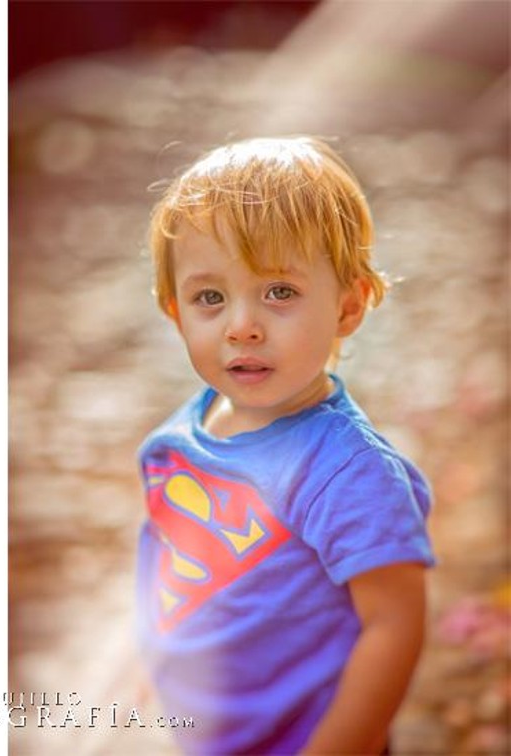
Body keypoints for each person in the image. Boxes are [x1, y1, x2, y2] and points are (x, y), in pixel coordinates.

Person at [136, 136, 435, 755]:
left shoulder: (346, 471)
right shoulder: (181, 436)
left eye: (279, 291)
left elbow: (394, 626)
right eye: (210, 298)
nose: (242, 324)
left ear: (348, 307)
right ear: (175, 311)